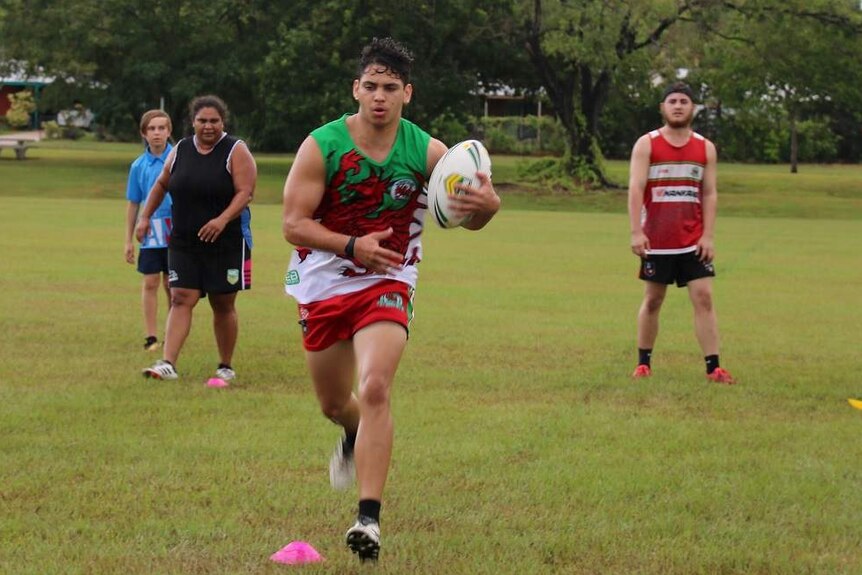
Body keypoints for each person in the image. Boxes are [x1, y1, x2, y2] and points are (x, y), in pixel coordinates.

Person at [282, 37, 500, 563]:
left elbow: (466, 216)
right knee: (335, 404)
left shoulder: (428, 152)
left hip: (390, 282)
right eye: (371, 86)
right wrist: (352, 245)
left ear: (408, 93)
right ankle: (352, 432)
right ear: (357, 89)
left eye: (391, 88)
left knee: (375, 385)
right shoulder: (323, 145)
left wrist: (489, 205)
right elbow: (293, 225)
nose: (379, 97)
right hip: (325, 283)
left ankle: (368, 520)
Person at [136, 95, 256, 384]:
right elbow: (162, 183)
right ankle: (168, 363)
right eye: (202, 120)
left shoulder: (235, 150)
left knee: (222, 303)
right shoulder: (180, 149)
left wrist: (221, 219)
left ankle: (225, 365)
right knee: (180, 298)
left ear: (222, 122)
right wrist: (144, 217)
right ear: (193, 122)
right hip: (184, 240)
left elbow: (245, 192)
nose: (208, 126)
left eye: (214, 120)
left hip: (227, 241)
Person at [628, 81, 735, 384]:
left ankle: (713, 367)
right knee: (653, 300)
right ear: (662, 107)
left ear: (693, 108)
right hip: (657, 240)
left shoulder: (705, 148)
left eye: (684, 101)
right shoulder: (647, 144)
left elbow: (710, 193)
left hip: (693, 241)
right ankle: (643, 363)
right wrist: (636, 231)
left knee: (704, 298)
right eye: (672, 100)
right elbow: (635, 189)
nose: (677, 105)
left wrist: (708, 235)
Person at [125, 109, 174, 351]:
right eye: (152, 129)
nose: (157, 133)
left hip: (176, 229)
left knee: (172, 284)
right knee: (151, 281)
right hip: (151, 230)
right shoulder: (138, 166)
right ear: (144, 133)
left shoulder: (178, 159)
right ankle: (151, 336)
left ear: (169, 131)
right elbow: (134, 202)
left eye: (161, 128)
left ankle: (172, 333)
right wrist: (127, 240)